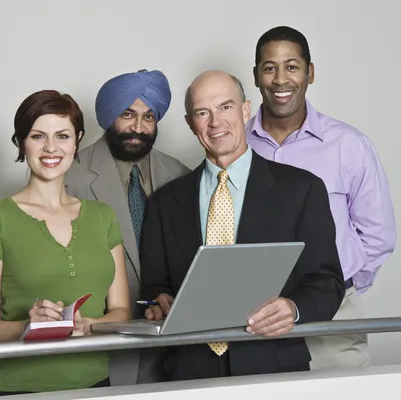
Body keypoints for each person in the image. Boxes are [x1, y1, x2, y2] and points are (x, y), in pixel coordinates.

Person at [139, 70, 345, 381]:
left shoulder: (302, 190)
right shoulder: (163, 202)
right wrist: (158, 301)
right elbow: (154, 286)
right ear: (189, 123)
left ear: (246, 111)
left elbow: (327, 281)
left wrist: (295, 307)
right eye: (202, 112)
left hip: (274, 368)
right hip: (189, 372)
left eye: (225, 107)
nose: (215, 122)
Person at [246, 26, 397, 369]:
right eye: (269, 68)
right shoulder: (237, 145)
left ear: (310, 73)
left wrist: (337, 288)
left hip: (334, 318)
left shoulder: (348, 145)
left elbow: (378, 235)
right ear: (256, 76)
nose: (281, 79)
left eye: (292, 66)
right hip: (255, 317)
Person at [0, 90, 130, 396]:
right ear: (20, 142)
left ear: (77, 140)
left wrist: (90, 325)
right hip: (17, 389)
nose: (51, 148)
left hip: (96, 386)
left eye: (62, 136)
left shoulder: (103, 216)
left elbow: (120, 310)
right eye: (38, 136)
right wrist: (27, 327)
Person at [65, 69, 190, 385]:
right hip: (99, 343)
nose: (138, 127)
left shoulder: (181, 174)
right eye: (127, 114)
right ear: (108, 117)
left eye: (149, 117)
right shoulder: (70, 175)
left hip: (173, 345)